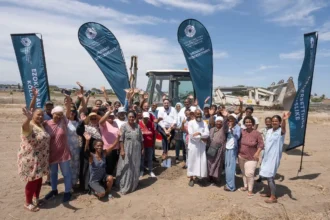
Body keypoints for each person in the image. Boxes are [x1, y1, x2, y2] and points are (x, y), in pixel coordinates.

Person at [18, 107, 50, 212]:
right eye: (38, 115)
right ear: (33, 115)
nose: (40, 116)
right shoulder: (29, 125)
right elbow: (24, 126)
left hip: (41, 157)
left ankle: (36, 198)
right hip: (31, 158)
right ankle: (28, 203)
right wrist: (28, 118)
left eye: (42, 115)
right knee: (32, 180)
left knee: (39, 178)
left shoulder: (40, 125)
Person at [44, 104, 72, 203]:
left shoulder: (63, 122)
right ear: (52, 113)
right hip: (52, 153)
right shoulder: (46, 124)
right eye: (57, 114)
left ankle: (67, 192)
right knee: (53, 173)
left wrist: (68, 100)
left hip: (64, 153)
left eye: (61, 114)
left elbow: (67, 112)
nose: (59, 116)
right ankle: (54, 190)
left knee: (66, 174)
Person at [260, 112, 290, 203]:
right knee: (266, 175)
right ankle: (269, 193)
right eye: (273, 121)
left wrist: (284, 120)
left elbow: (284, 128)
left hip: (274, 157)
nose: (274, 122)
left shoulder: (280, 131)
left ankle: (273, 197)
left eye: (276, 121)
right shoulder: (269, 131)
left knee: (270, 177)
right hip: (266, 156)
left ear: (279, 122)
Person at [116, 111, 144, 194]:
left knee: (135, 166)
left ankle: (134, 183)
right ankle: (124, 184)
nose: (131, 118)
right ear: (127, 117)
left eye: (133, 117)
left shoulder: (138, 126)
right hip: (127, 149)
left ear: (135, 118)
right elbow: (121, 139)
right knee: (126, 166)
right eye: (130, 117)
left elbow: (141, 139)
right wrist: (122, 150)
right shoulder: (123, 126)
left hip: (136, 149)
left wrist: (143, 148)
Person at [238, 116, 264, 197]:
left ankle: (250, 190)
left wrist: (257, 153)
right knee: (243, 172)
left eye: (250, 122)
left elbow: (261, 144)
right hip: (241, 156)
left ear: (253, 123)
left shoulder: (257, 133)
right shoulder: (242, 131)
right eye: (246, 122)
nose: (248, 123)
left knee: (250, 173)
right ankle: (245, 186)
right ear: (244, 123)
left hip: (252, 157)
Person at [83, 133, 116, 199]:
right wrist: (87, 141)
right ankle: (93, 190)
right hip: (94, 181)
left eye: (101, 145)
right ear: (94, 146)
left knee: (110, 178)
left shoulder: (104, 153)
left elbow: (112, 146)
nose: (100, 147)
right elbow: (86, 151)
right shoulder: (92, 156)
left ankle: (107, 192)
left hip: (103, 178)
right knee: (101, 194)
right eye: (98, 146)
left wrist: (118, 137)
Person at [76, 112, 102, 192]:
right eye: (92, 118)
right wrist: (82, 122)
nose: (94, 120)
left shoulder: (99, 127)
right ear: (89, 119)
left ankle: (93, 186)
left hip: (95, 151)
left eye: (95, 118)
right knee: (85, 169)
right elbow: (78, 131)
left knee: (94, 169)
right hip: (86, 150)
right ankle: (84, 187)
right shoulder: (86, 127)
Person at [187, 109, 209, 187]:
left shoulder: (204, 123)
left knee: (201, 161)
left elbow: (207, 134)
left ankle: (201, 178)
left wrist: (199, 133)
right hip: (193, 146)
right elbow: (191, 135)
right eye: (197, 114)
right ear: (194, 115)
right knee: (192, 161)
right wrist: (202, 137)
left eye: (200, 114)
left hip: (202, 146)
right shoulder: (190, 123)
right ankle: (192, 178)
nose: (198, 115)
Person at [99, 107, 120, 176]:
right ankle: (106, 181)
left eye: (112, 116)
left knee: (113, 165)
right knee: (107, 166)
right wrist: (108, 112)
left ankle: (110, 181)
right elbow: (101, 121)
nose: (110, 117)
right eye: (109, 116)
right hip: (107, 149)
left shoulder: (115, 123)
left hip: (116, 148)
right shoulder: (104, 124)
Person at [207, 115, 227, 185]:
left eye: (220, 122)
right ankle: (210, 177)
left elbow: (225, 125)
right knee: (209, 163)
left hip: (219, 149)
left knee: (217, 164)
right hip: (211, 148)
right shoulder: (212, 129)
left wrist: (225, 117)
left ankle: (216, 179)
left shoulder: (223, 129)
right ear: (215, 122)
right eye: (217, 121)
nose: (219, 123)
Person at [224, 114, 241, 191]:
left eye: (231, 120)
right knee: (227, 167)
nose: (229, 122)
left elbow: (237, 137)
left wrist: (231, 130)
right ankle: (228, 184)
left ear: (234, 120)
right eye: (229, 120)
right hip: (227, 147)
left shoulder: (237, 127)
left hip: (232, 149)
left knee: (231, 168)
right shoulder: (228, 126)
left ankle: (231, 186)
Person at [139, 112, 156, 178]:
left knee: (150, 158)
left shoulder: (151, 123)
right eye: (145, 118)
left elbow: (154, 134)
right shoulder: (139, 124)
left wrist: (154, 143)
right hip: (142, 145)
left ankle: (150, 170)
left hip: (149, 144)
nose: (146, 120)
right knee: (142, 158)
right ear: (142, 118)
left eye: (147, 118)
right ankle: (142, 170)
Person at [67, 107, 80, 188]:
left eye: (73, 112)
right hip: (68, 146)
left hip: (77, 146)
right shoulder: (65, 122)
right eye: (70, 112)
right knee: (69, 166)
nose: (72, 113)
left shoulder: (78, 122)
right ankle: (70, 184)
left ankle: (74, 182)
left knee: (76, 165)